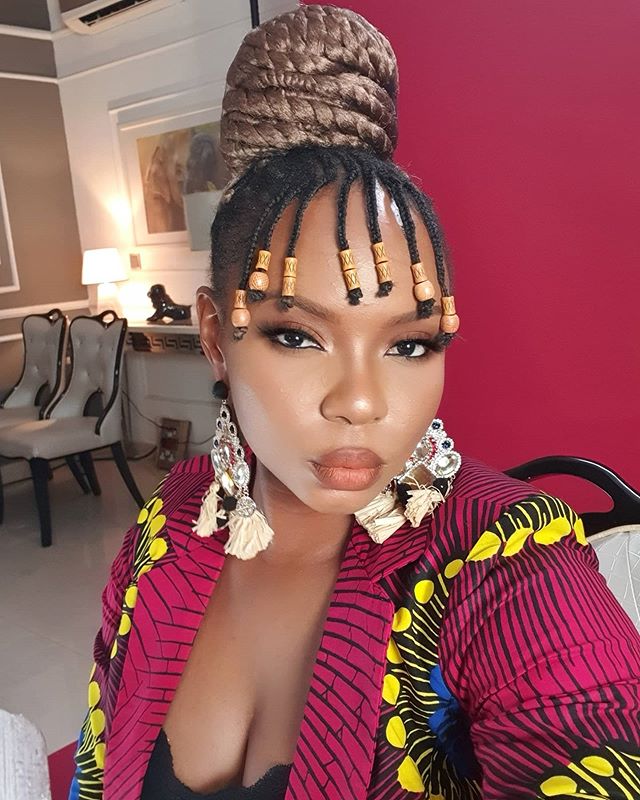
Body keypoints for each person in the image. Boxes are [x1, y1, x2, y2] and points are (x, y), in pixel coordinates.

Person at [68, 5, 640, 800]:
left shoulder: (510, 556)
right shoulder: (169, 525)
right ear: (215, 336)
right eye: (298, 336)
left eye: (410, 345)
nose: (363, 402)